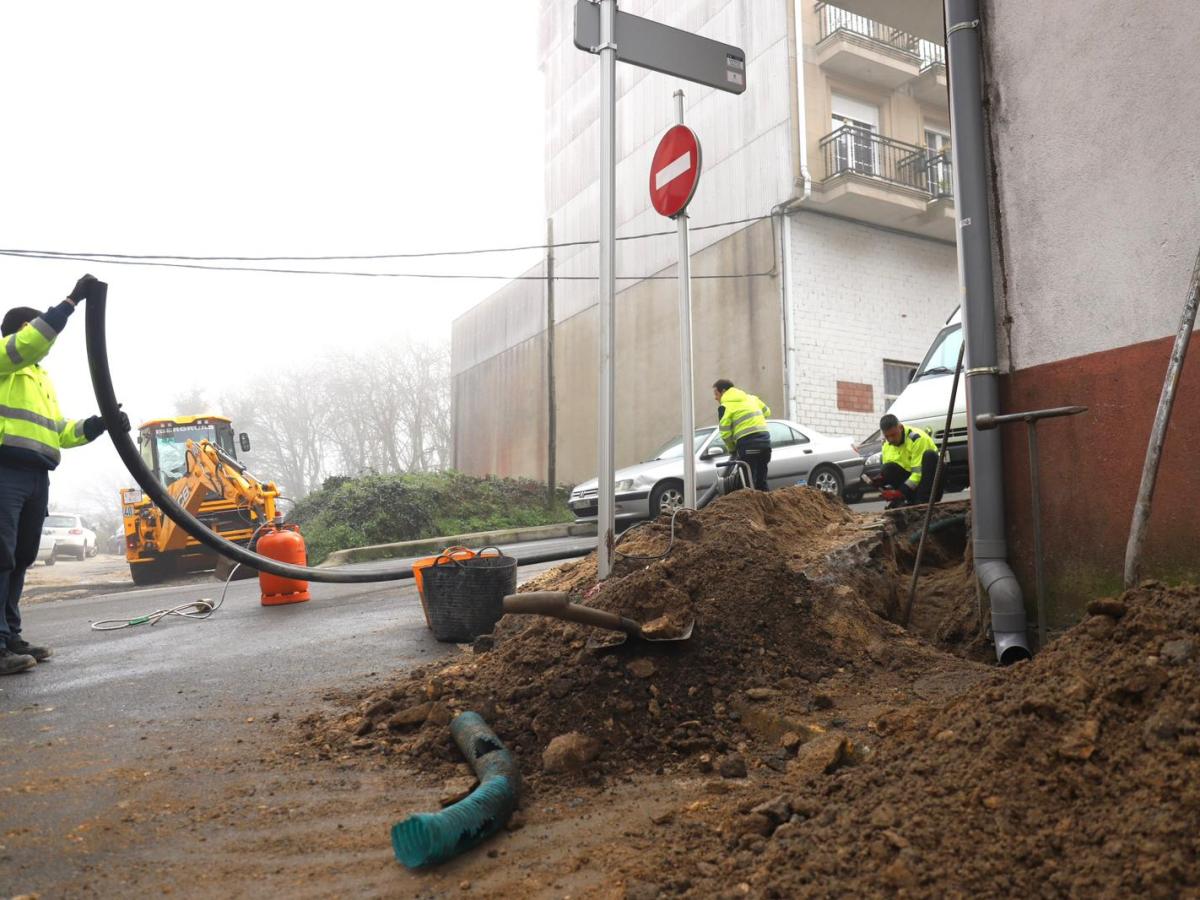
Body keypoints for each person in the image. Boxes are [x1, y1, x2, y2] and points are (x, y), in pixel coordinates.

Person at [0, 275, 128, 676]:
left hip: (36, 475)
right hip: (4, 472)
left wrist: (99, 424)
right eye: (35, 328)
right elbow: (32, 342)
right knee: (0, 557)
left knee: (20, 558)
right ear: (24, 329)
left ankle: (10, 636)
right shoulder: (5, 360)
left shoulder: (38, 379)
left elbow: (59, 431)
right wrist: (71, 301)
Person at [713, 378, 771, 492]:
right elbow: (767, 412)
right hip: (765, 443)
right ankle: (766, 502)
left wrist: (732, 449)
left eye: (716, 394)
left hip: (748, 445)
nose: (715, 398)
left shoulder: (725, 407)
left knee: (746, 484)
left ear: (723, 391)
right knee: (761, 482)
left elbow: (725, 434)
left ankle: (750, 502)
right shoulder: (752, 398)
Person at [877, 413, 942, 508]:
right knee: (887, 468)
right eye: (887, 436)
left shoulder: (917, 439)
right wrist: (882, 480)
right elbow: (891, 469)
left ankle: (923, 502)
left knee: (929, 455)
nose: (891, 439)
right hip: (913, 484)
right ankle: (907, 500)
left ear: (900, 428)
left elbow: (918, 474)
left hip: (932, 481)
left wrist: (900, 492)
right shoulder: (886, 444)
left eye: (893, 435)